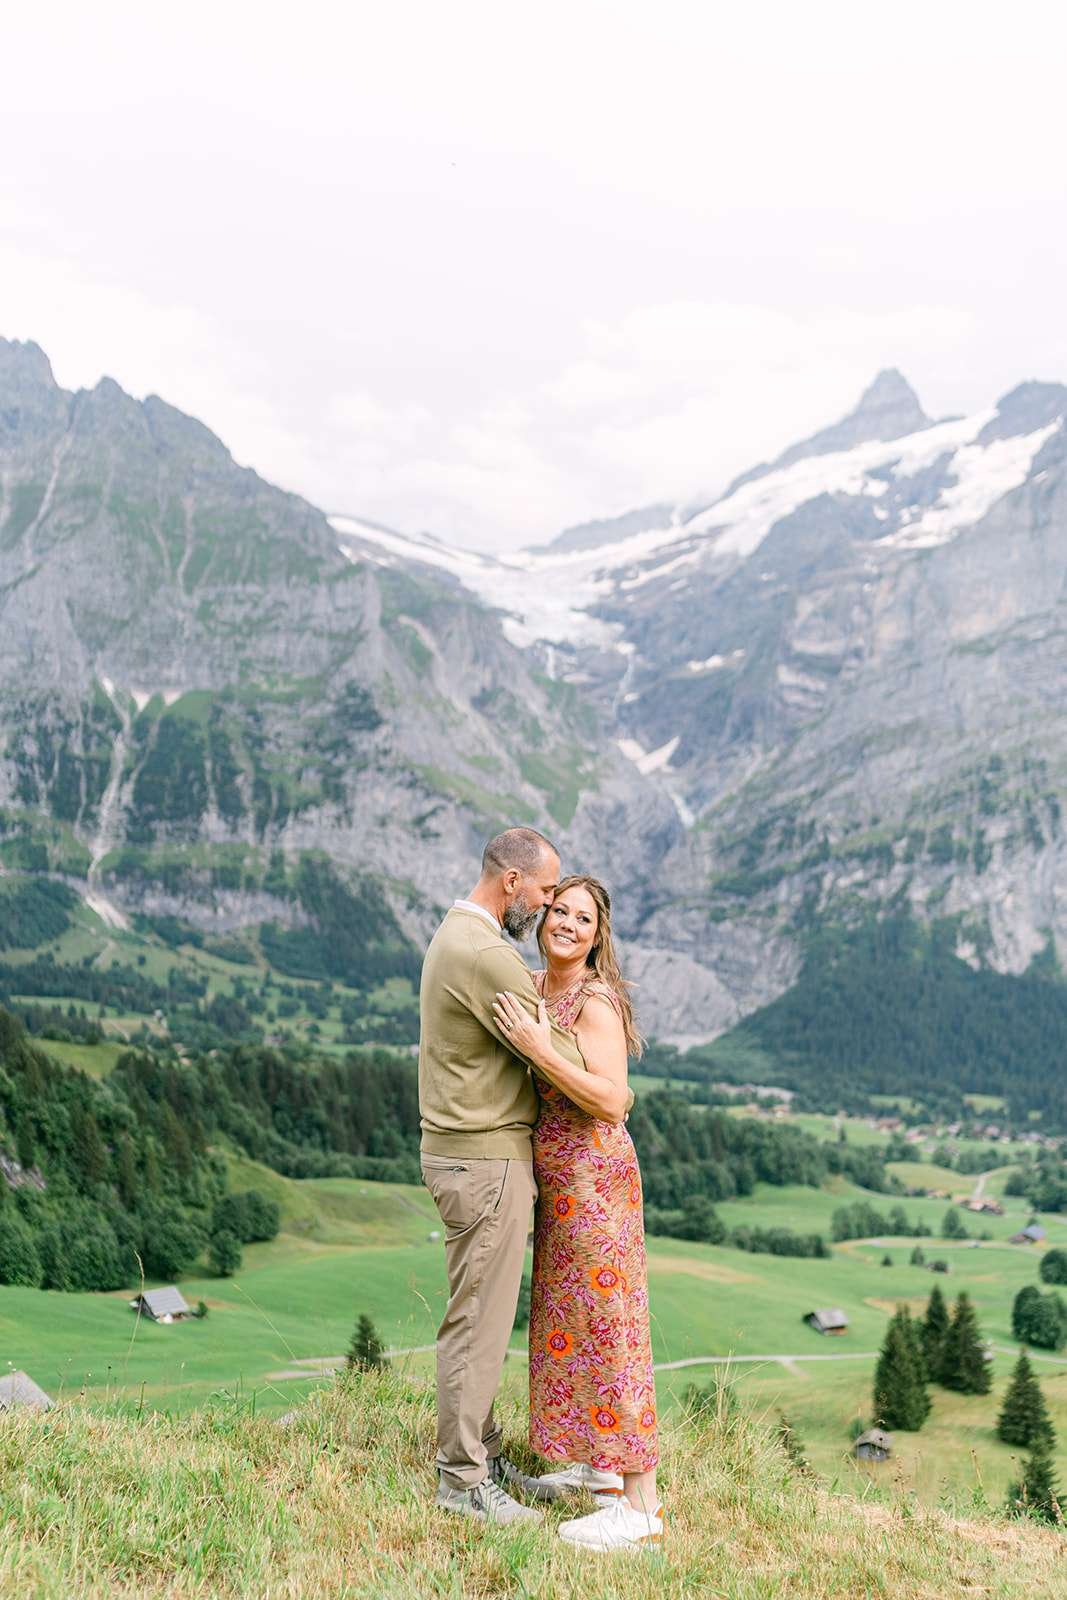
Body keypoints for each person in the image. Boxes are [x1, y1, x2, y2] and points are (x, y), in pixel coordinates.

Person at [418, 826, 590, 1525]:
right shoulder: (488, 953)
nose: (549, 907)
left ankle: (482, 1460)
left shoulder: (455, 934)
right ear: (511, 881)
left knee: (480, 1313)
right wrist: (594, 1007)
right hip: (484, 1158)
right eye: (547, 891)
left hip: (469, 1152)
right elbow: (566, 1052)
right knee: (479, 1323)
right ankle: (461, 1482)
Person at [491, 875, 662, 1553]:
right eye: (557, 911)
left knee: (611, 1328)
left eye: (580, 918)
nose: (564, 923)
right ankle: (598, 1476)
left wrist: (536, 1051)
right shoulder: (535, 987)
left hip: (595, 1178)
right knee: (568, 1320)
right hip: (557, 1181)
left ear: (598, 935)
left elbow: (613, 1100)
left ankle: (642, 1504)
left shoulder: (594, 1000)